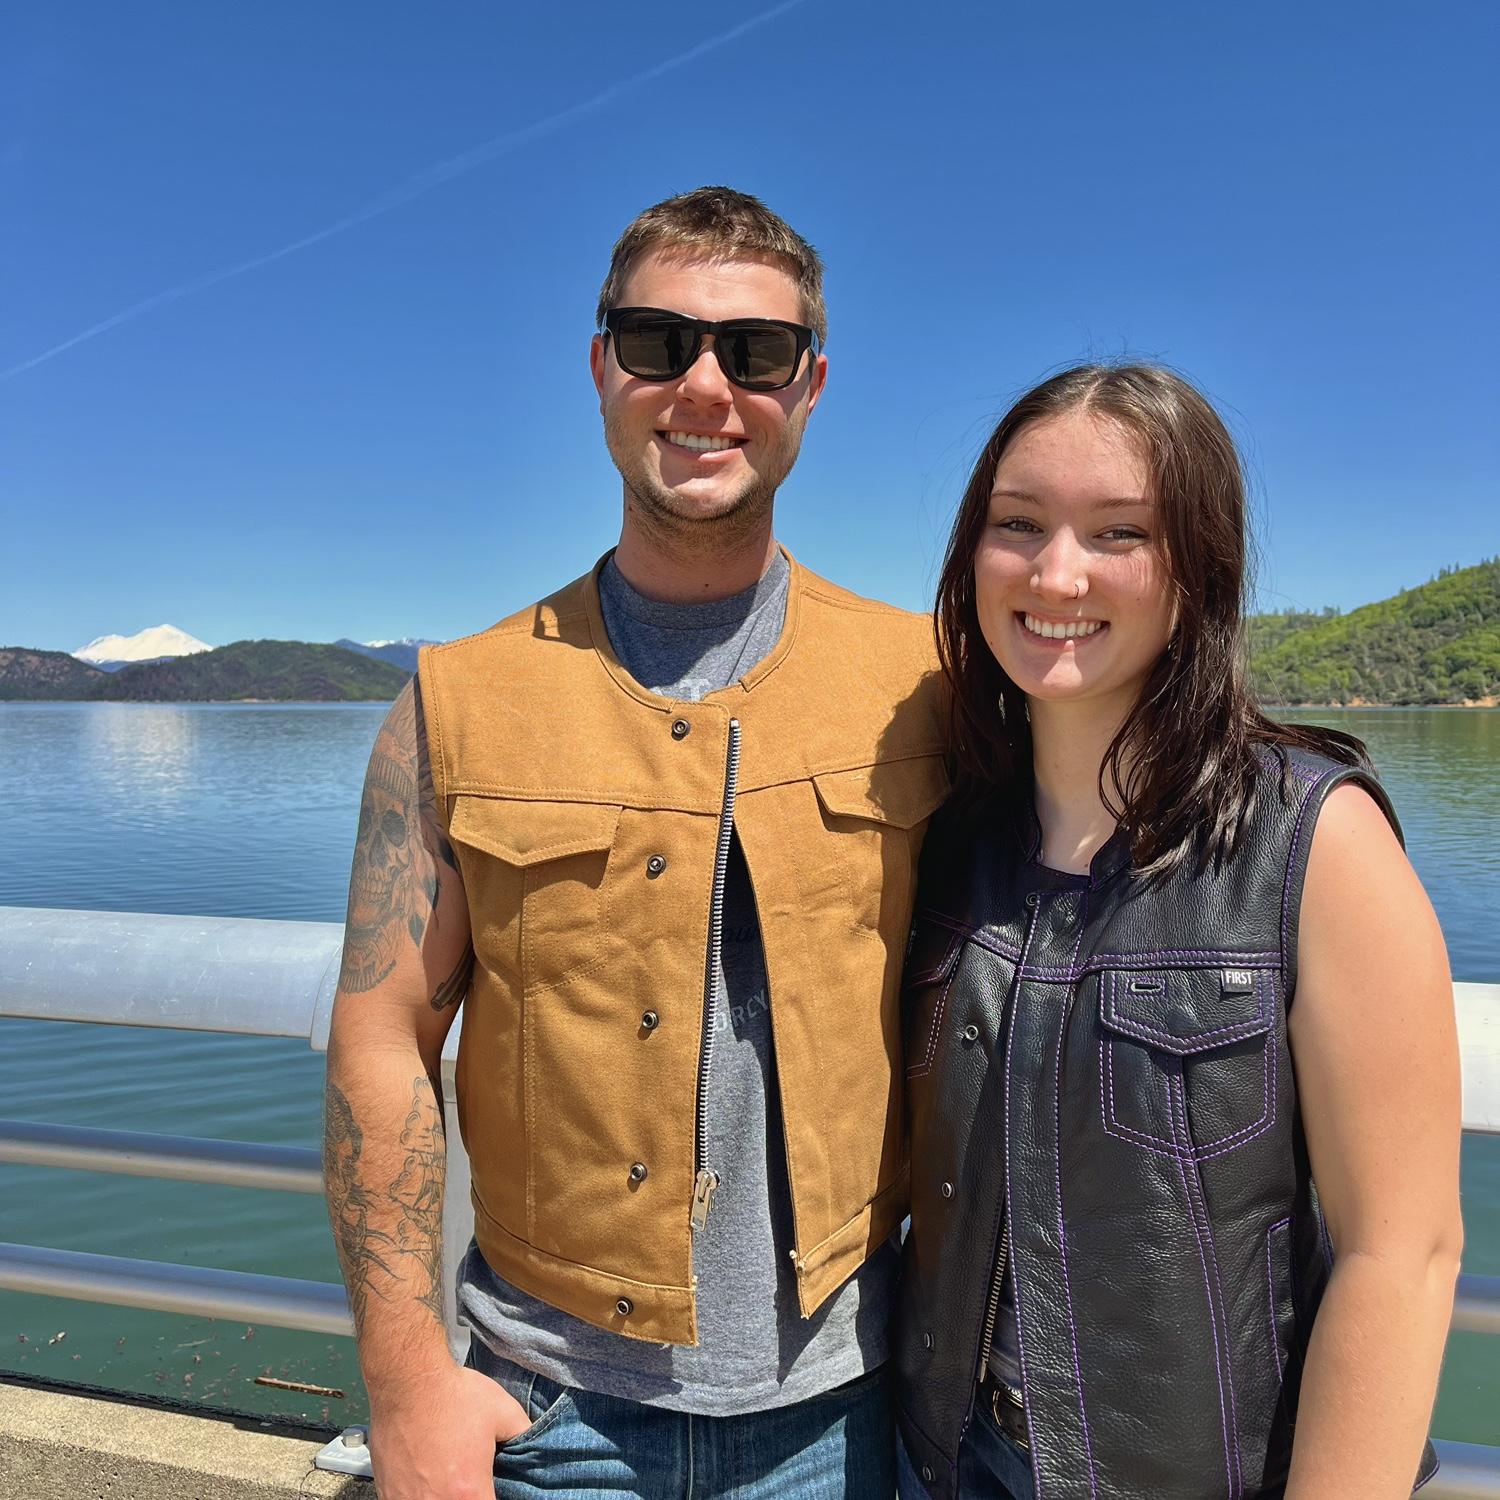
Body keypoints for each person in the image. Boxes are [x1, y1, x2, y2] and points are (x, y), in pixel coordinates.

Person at [321, 186, 949, 1500]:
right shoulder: (456, 702)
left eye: (755, 352)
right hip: (546, 1417)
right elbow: (383, 1042)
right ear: (604, 366)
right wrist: (405, 1384)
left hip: (851, 1416)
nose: (705, 387)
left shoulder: (925, 686)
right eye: (661, 343)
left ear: (811, 385)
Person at [894, 365, 1463, 1499]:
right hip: (941, 1460)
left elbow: (1402, 1253)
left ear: (1198, 572)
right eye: (1019, 524)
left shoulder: (1314, 841)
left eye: (1120, 532)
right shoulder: (951, 835)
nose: (1057, 573)